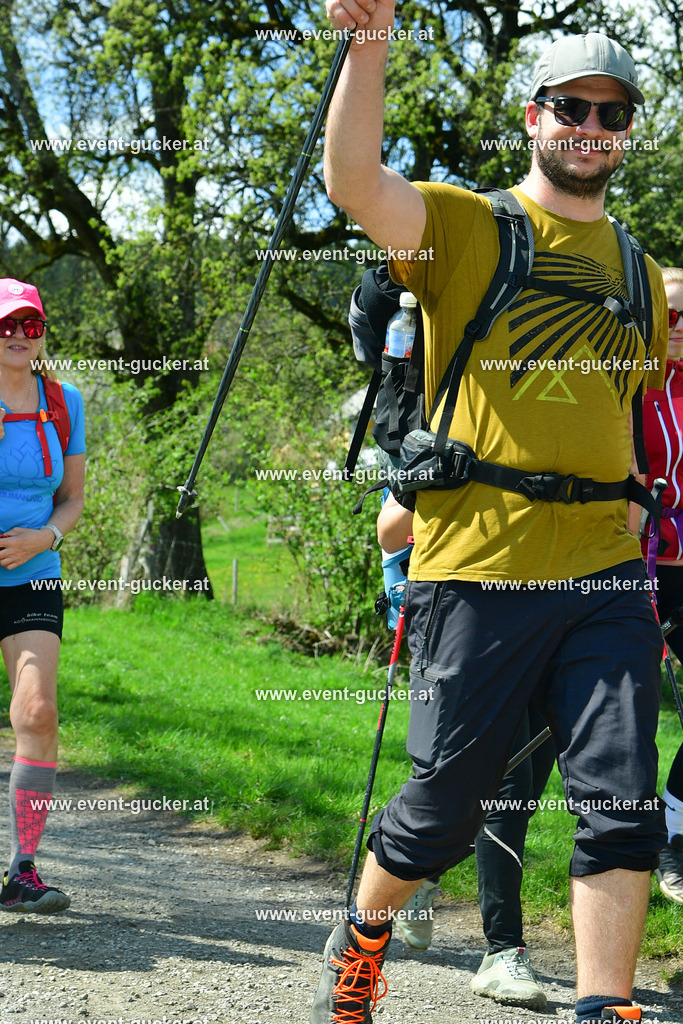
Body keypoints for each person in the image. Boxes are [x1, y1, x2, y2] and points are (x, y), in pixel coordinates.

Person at [311, 15, 669, 1024]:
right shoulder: (467, 225)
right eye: (572, 106)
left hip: (603, 568)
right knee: (443, 811)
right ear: (534, 116)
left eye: (611, 112)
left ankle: (604, 1006)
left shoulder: (637, 270)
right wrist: (370, 39)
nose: (591, 124)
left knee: (619, 800)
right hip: (477, 567)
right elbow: (351, 181)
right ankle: (363, 938)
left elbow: (616, 415)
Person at [378, 491, 555, 1010]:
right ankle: (504, 952)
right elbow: (390, 532)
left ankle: (422, 874)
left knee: (519, 787)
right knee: (507, 790)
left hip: (555, 623)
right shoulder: (448, 422)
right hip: (469, 630)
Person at [0, 279, 85, 913]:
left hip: (34, 569)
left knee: (38, 713)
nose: (20, 336)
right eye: (8, 325)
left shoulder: (64, 401)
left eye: (32, 325)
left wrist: (43, 538)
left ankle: (22, 871)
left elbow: (74, 497)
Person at [641, 266, 683, 905]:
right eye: (668, 316)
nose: (678, 330)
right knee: (627, 717)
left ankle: (672, 838)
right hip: (631, 567)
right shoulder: (622, 382)